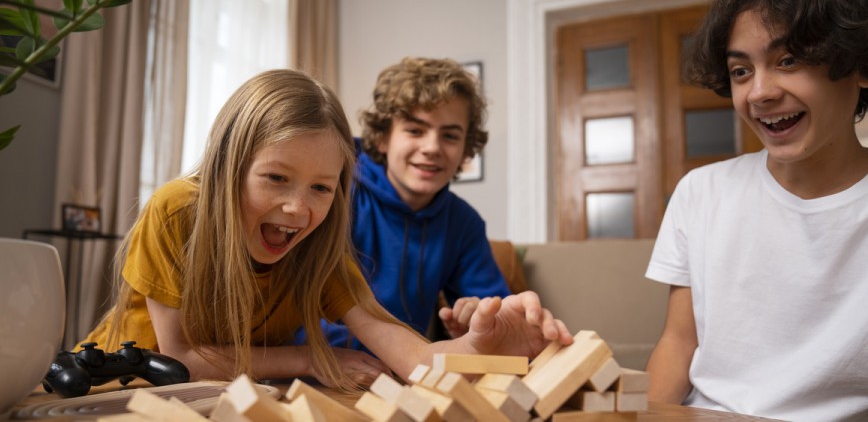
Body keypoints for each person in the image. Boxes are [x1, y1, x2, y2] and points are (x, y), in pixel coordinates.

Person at [81, 69, 571, 390]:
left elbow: (411, 354)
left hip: (225, 397)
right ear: (228, 164)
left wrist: (478, 350)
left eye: (321, 187)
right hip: (113, 387)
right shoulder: (177, 211)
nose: (296, 209)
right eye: (275, 178)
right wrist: (311, 359)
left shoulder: (318, 243)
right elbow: (181, 358)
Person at [644, 0, 868, 420]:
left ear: (859, 65)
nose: (759, 92)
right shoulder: (700, 192)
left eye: (789, 60)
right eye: (741, 70)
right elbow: (680, 341)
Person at [299, 57, 512, 352]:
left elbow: (498, 311)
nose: (432, 148)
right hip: (311, 370)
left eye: (450, 135)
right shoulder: (333, 189)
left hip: (403, 374)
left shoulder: (463, 223)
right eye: (415, 130)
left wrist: (481, 316)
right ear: (383, 137)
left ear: (466, 149)